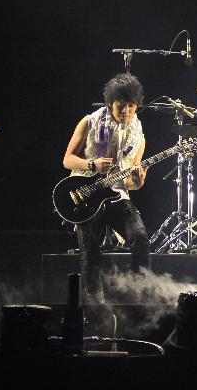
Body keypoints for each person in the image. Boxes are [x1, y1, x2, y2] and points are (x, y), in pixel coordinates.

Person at [62, 72, 151, 302]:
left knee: (140, 238)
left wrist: (138, 183)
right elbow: (67, 159)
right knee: (90, 253)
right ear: (110, 103)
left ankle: (137, 296)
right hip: (87, 194)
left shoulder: (138, 137)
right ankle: (95, 306)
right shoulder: (89, 122)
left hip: (116, 195)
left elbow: (130, 178)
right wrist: (92, 164)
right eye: (121, 106)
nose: (126, 112)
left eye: (132, 106)